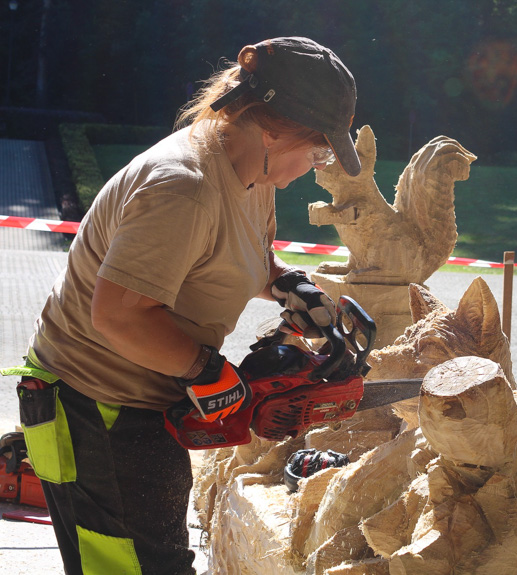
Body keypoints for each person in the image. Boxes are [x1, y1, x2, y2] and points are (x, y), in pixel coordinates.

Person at [8, 37, 361, 574]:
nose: (315, 166)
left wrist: (288, 284)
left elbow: (240, 250)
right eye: (316, 151)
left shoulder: (250, 172)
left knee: (158, 559)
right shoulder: (183, 188)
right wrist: (207, 371)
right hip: (95, 406)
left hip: (145, 400)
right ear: (272, 129)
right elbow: (119, 314)